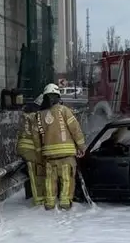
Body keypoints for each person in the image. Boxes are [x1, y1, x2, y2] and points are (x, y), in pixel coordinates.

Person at [37, 83, 86, 211]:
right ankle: (65, 204)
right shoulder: (64, 110)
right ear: (58, 97)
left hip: (48, 156)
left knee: (49, 181)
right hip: (66, 155)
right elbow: (75, 129)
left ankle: (49, 204)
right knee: (67, 179)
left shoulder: (40, 115)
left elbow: (38, 135)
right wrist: (81, 146)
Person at [16, 94, 45, 206]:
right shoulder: (37, 115)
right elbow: (38, 134)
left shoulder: (26, 112)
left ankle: (32, 196)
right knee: (35, 173)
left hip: (23, 146)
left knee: (31, 172)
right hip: (30, 147)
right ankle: (38, 201)